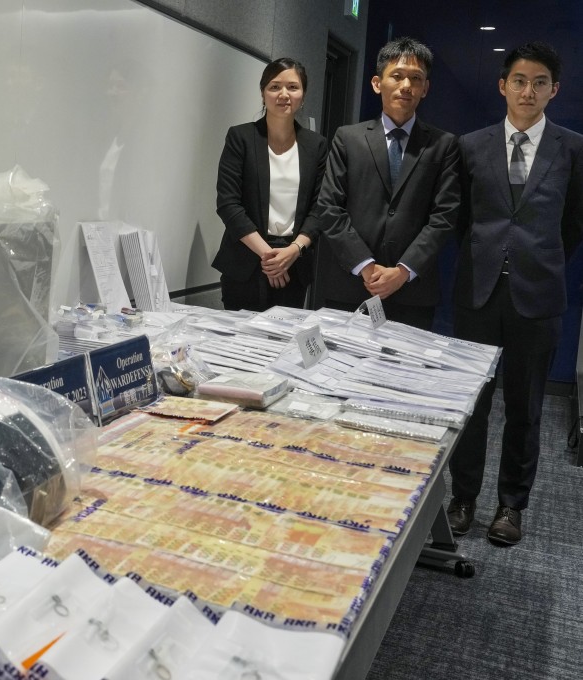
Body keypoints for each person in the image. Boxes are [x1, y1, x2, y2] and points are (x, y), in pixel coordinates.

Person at [447, 42, 583, 546]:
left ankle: (510, 506)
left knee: (526, 408)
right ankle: (463, 498)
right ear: (502, 85)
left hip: (538, 296)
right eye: (520, 81)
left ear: (554, 90)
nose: (529, 91)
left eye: (540, 82)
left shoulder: (573, 148)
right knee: (472, 403)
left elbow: (574, 224)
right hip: (477, 293)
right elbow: (461, 221)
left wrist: (538, 260)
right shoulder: (470, 146)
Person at [316, 37, 460, 330]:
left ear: (425, 88)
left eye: (416, 78)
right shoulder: (348, 138)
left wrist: (403, 272)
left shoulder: (444, 145)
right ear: (377, 83)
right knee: (340, 373)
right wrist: (366, 266)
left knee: (405, 374)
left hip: (413, 292)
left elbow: (444, 217)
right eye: (397, 75)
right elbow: (329, 207)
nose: (406, 85)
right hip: (351, 285)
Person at [213, 57, 328, 311]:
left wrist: (294, 250)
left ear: (303, 95)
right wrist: (268, 256)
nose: (283, 94)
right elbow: (228, 204)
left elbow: (320, 207)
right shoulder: (240, 138)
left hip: (293, 265)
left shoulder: (316, 145)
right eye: (274, 87)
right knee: (239, 346)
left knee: (284, 346)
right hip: (245, 261)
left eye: (293, 87)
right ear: (263, 94)